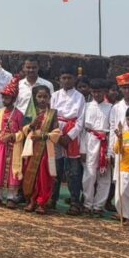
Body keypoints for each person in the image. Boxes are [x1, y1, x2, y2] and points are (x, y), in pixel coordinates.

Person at [18, 85, 59, 214]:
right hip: (32, 148)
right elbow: (24, 130)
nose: (42, 99)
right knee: (30, 174)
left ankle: (42, 202)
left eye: (45, 97)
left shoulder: (52, 114)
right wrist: (31, 125)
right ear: (35, 98)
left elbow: (57, 132)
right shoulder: (31, 112)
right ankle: (32, 200)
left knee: (44, 175)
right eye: (39, 96)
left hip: (46, 149)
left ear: (49, 98)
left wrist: (43, 135)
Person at [52, 66, 86, 214]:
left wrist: (69, 137)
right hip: (57, 132)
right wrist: (58, 135)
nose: (66, 81)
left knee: (73, 171)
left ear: (75, 79)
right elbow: (52, 116)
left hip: (72, 135)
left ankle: (74, 201)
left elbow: (80, 121)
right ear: (59, 80)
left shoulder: (80, 97)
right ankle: (52, 199)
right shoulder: (55, 95)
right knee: (55, 168)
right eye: (63, 78)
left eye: (69, 78)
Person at [0, 77, 24, 207]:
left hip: (14, 146)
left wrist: (12, 136)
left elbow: (22, 132)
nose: (4, 100)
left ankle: (11, 198)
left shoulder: (19, 114)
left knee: (13, 170)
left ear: (13, 99)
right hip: (0, 145)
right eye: (3, 98)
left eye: (7, 98)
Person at [80, 78, 114, 217]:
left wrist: (110, 151)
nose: (96, 94)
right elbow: (82, 129)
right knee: (89, 175)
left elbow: (112, 130)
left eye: (99, 92)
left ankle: (99, 206)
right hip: (89, 140)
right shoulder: (86, 106)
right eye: (94, 91)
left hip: (105, 142)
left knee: (104, 176)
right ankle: (88, 204)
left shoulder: (111, 108)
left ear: (105, 92)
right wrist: (82, 149)